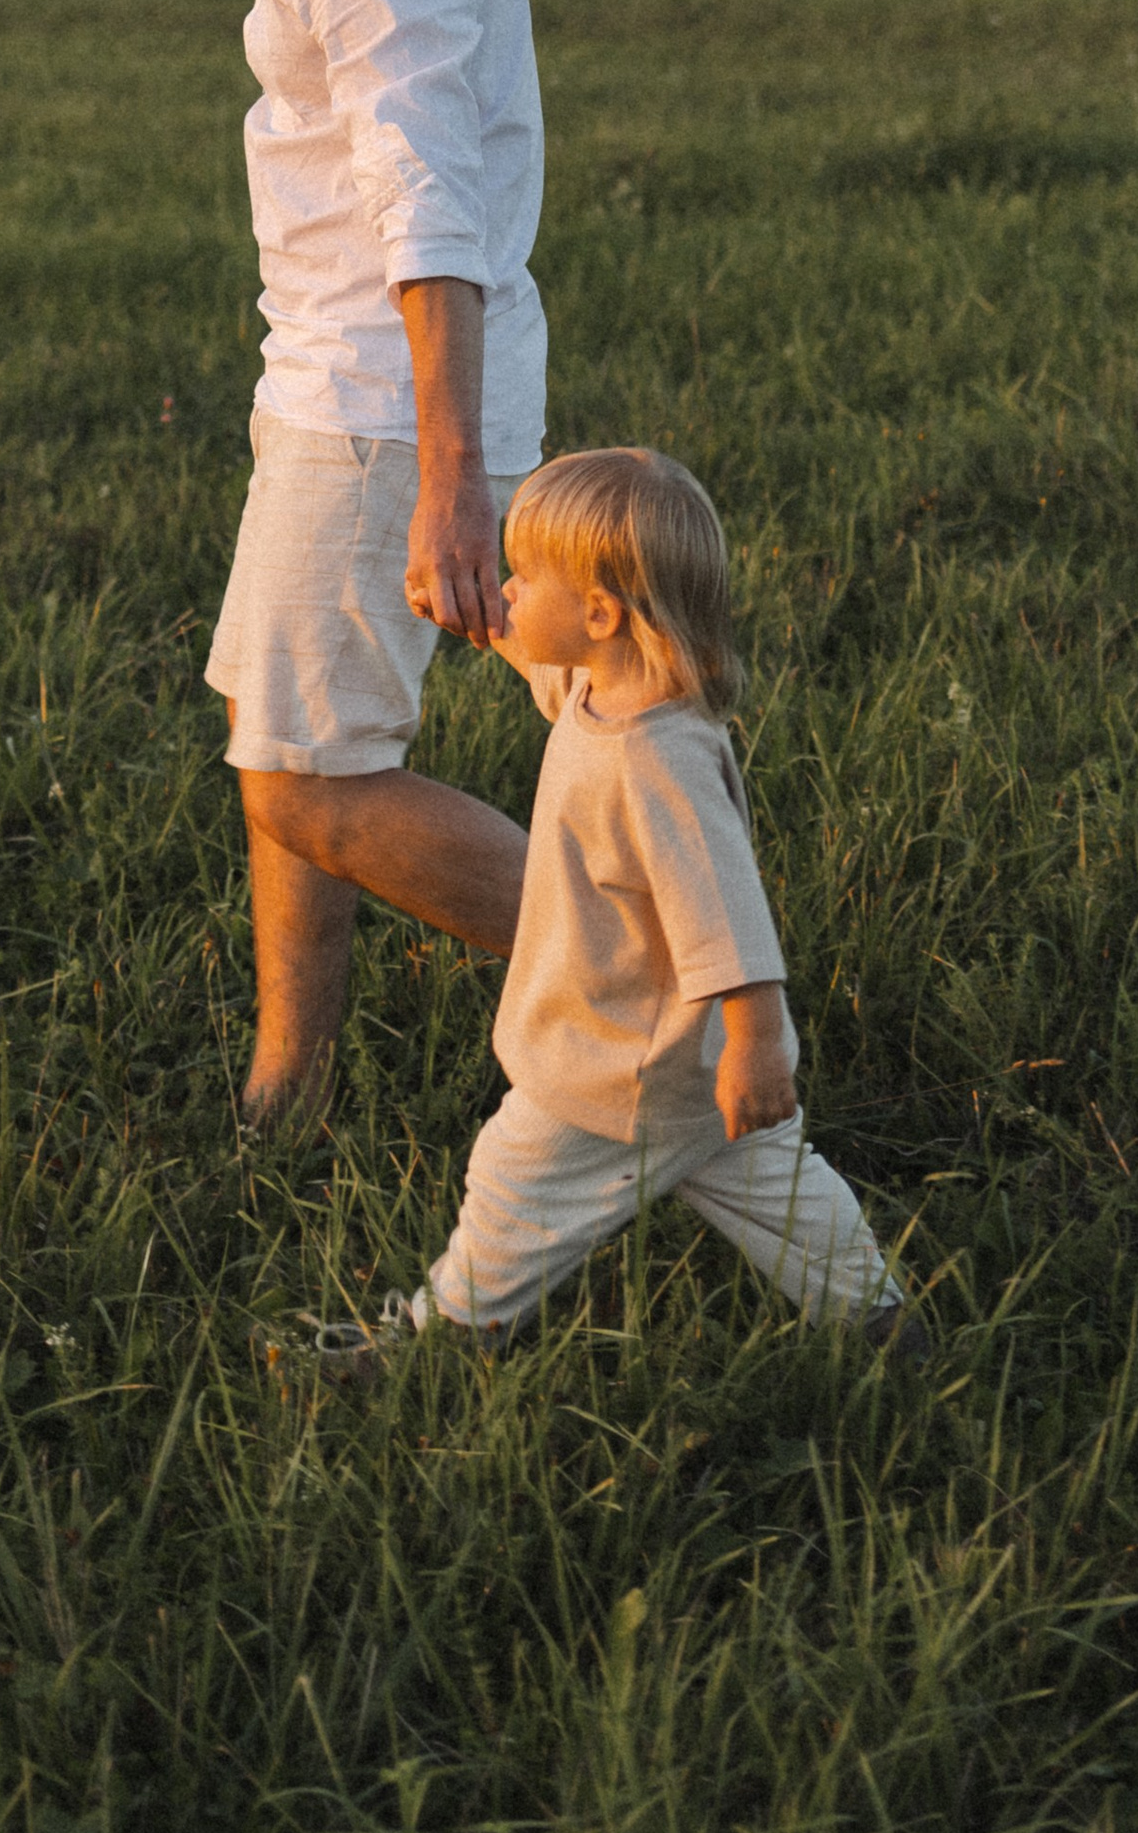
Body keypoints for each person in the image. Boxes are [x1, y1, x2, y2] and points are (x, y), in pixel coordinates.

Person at [83, 0, 546, 1122]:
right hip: (332, 391)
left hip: (379, 405)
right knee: (282, 743)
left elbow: (431, 197)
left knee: (304, 780)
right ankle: (288, 1093)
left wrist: (451, 476)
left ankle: (658, 989)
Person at [391, 447, 917, 1351]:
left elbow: (727, 918)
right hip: (692, 1063)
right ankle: (874, 1319)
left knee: (513, 1180)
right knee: (786, 1198)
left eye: (523, 578)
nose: (510, 590)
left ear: (600, 613)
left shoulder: (658, 761)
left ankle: (447, 1337)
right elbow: (548, 673)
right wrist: (481, 617)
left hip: (615, 1067)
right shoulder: (611, 691)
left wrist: (756, 1047)